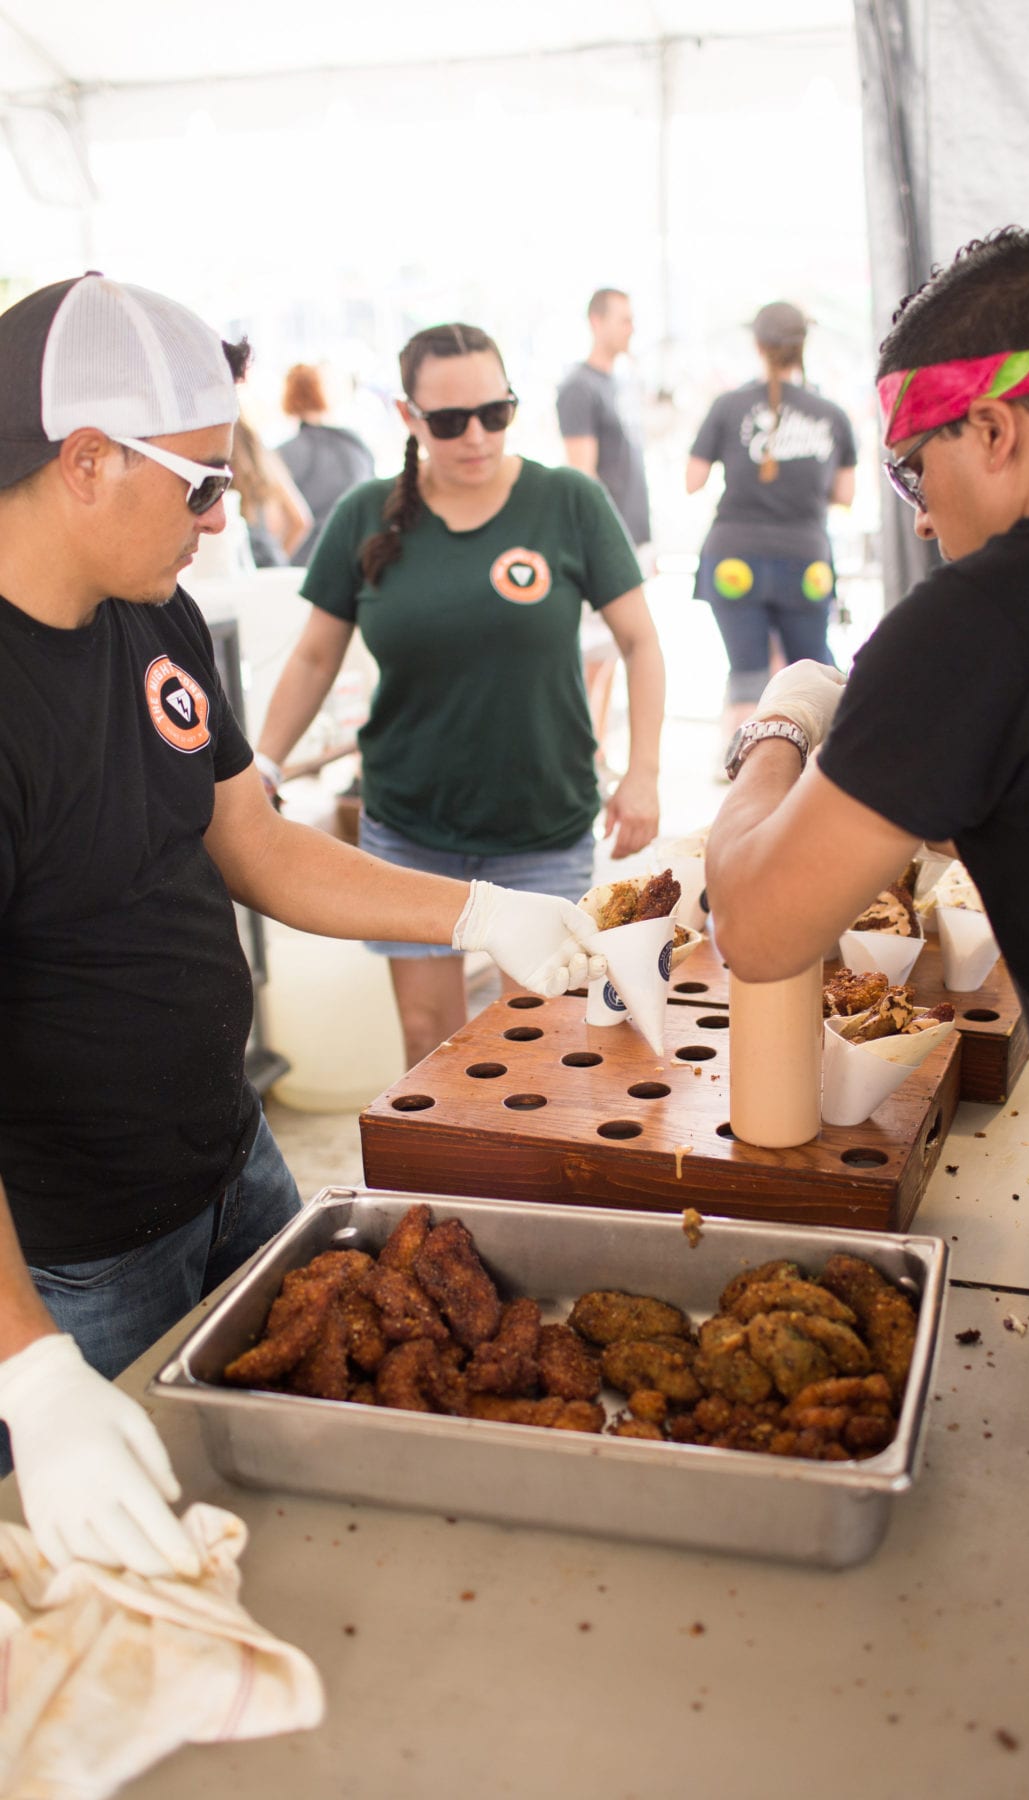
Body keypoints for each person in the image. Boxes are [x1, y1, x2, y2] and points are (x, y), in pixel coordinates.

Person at [0, 275, 607, 1584]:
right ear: (86, 461)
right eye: (201, 485)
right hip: (76, 1253)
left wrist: (482, 907)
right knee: (151, 1580)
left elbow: (254, 843)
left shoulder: (150, 617)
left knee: (311, 1526)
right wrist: (30, 1369)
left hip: (235, 1166)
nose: (224, 520)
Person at [704, 229, 1029, 1800]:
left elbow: (760, 918)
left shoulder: (992, 615)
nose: (919, 519)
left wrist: (787, 724)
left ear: (992, 424)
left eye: (917, 474)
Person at [256, 321, 665, 1070]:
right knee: (430, 1043)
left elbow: (641, 641)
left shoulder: (567, 501)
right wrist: (265, 766)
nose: (476, 436)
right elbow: (316, 656)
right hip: (410, 830)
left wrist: (642, 774)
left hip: (542, 825)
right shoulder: (365, 515)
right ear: (408, 418)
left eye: (495, 413)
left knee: (543, 1042)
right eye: (449, 421)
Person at [687, 301, 857, 751]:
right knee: (810, 675)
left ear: (758, 346)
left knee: (746, 672)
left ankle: (740, 780)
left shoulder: (727, 406)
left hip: (733, 558)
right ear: (802, 347)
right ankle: (816, 781)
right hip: (806, 562)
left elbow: (693, 480)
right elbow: (845, 495)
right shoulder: (831, 415)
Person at [556, 289, 653, 774]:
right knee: (593, 655)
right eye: (623, 319)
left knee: (616, 652)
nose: (630, 328)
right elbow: (583, 474)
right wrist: (602, 545)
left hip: (634, 535)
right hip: (606, 540)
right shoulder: (579, 386)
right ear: (596, 321)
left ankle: (596, 751)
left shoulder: (621, 382)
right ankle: (583, 755)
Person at [276, 362, 375, 564]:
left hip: (305, 564)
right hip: (358, 559)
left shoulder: (283, 455)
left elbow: (280, 523)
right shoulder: (358, 447)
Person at [230, 414, 312, 566]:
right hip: (269, 561)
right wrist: (279, 559)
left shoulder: (216, 465)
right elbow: (301, 520)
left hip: (238, 568)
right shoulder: (264, 460)